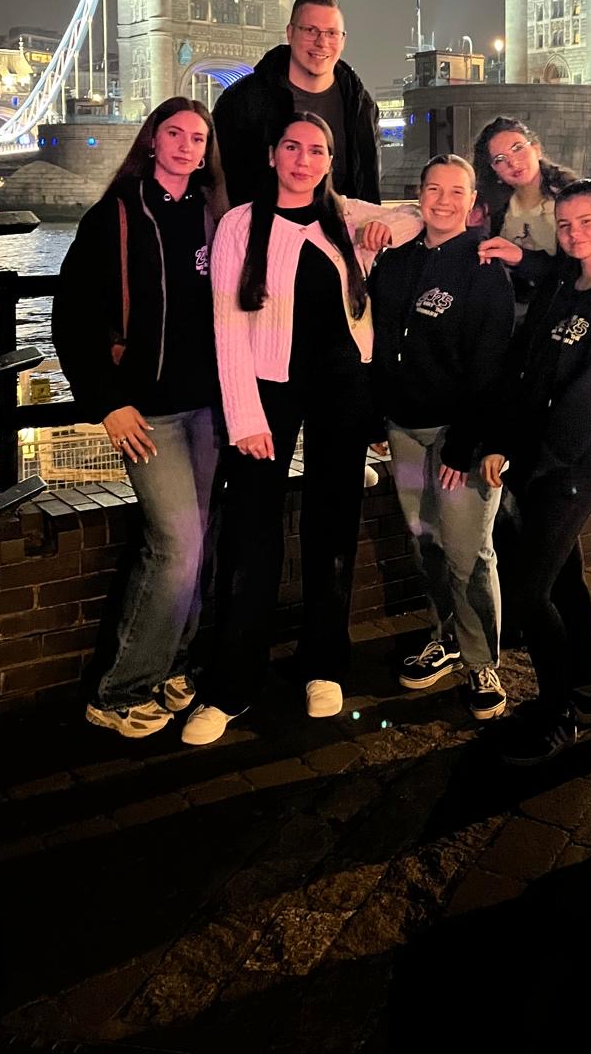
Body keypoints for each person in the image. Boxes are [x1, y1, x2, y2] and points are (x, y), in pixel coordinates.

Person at [181, 113, 417, 745]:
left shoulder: (343, 216)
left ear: (329, 161)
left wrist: (379, 229)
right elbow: (227, 325)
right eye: (292, 147)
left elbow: (416, 216)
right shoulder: (240, 224)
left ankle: (324, 664)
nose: (303, 159)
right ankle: (231, 685)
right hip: (267, 389)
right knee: (250, 535)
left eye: (316, 150)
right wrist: (244, 415)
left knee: (332, 527)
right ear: (272, 155)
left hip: (344, 385)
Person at [53, 97, 227, 738]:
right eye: (174, 133)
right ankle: (120, 691)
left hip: (208, 408)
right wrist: (107, 402)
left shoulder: (216, 218)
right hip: (147, 413)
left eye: (198, 138)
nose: (186, 145)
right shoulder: (115, 215)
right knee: (175, 546)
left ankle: (174, 665)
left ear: (207, 152)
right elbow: (72, 317)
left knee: (200, 541)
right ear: (152, 140)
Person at [481, 180, 591, 766]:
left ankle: (556, 717)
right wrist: (503, 440)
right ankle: (582, 691)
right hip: (532, 458)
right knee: (564, 581)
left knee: (528, 591)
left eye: (587, 222)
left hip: (571, 464)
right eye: (566, 224)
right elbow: (524, 364)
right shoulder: (560, 282)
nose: (575, 234)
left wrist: (538, 460)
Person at [369, 155, 515, 722]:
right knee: (426, 542)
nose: (444, 201)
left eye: (457, 191)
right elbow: (377, 343)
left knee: (468, 552)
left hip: (461, 438)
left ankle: (482, 662)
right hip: (404, 430)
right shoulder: (394, 262)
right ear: (419, 194)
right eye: (434, 189)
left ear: (473, 202)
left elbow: (492, 366)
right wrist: (375, 416)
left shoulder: (483, 268)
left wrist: (466, 444)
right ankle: (446, 636)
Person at [212, 0, 380, 208]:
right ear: (290, 33)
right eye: (310, 30)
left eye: (331, 33)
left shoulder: (361, 106)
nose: (322, 42)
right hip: (259, 226)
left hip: (339, 228)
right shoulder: (241, 101)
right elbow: (216, 180)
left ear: (343, 40)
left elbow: (367, 186)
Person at [472, 116, 576, 306]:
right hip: (505, 308)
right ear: (494, 170)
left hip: (558, 309)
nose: (512, 163)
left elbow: (577, 270)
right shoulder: (493, 209)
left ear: (536, 149)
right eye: (500, 159)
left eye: (517, 148)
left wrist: (522, 258)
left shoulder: (572, 200)